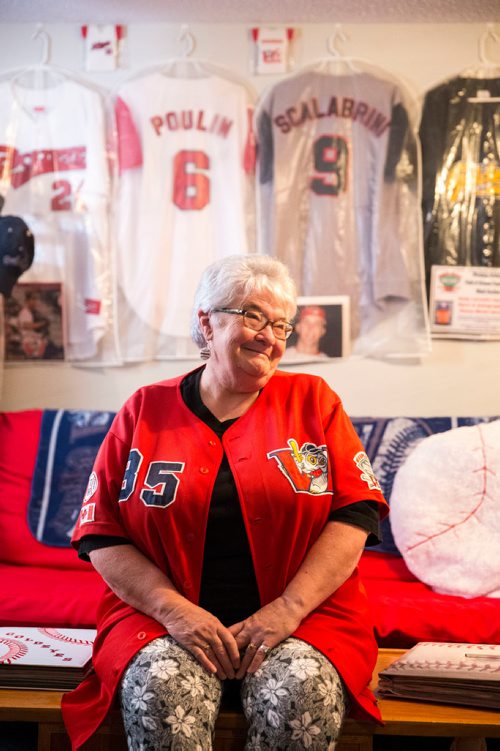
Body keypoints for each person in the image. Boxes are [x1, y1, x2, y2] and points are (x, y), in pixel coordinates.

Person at [62, 254, 388, 750]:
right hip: (160, 620)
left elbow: (356, 514)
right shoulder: (144, 410)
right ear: (206, 324)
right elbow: (101, 532)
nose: (270, 336)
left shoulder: (314, 401)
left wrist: (287, 610)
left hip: (305, 618)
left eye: (281, 324)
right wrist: (174, 612)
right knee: (160, 688)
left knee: (299, 689)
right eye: (253, 316)